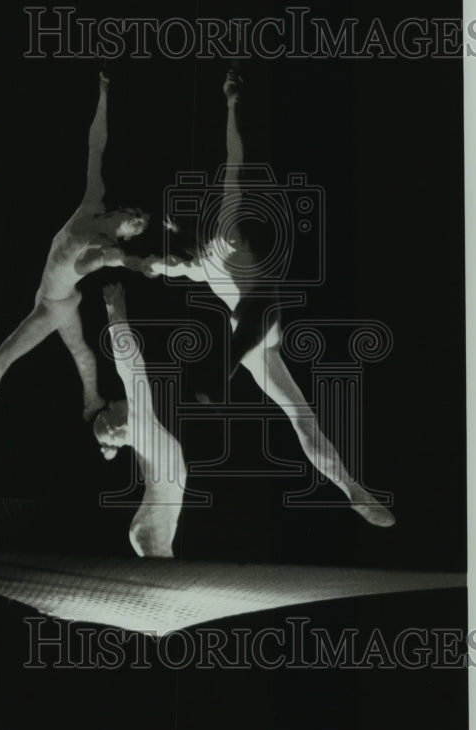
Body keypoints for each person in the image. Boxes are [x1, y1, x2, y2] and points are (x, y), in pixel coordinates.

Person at [139, 68, 395, 528]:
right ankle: (351, 488)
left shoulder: (227, 218)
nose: (176, 235)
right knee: (301, 417)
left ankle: (348, 487)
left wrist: (232, 102)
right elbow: (154, 264)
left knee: (267, 306)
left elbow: (234, 151)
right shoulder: (192, 262)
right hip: (253, 340)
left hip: (258, 330)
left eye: (176, 225)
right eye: (172, 231)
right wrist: (137, 257)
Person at [0, 71, 148, 444]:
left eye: (134, 227)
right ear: (124, 212)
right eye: (134, 217)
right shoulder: (93, 201)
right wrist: (103, 94)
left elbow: (95, 264)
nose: (131, 220)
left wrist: (123, 260)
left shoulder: (101, 245)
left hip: (53, 304)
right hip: (59, 299)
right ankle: (92, 401)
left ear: (124, 234)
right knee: (81, 353)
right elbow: (96, 147)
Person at [93, 283, 187, 557]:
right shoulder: (138, 425)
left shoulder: (138, 430)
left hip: (150, 525)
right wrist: (114, 311)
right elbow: (129, 365)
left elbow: (130, 367)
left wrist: (115, 313)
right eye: (113, 409)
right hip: (150, 527)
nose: (118, 401)